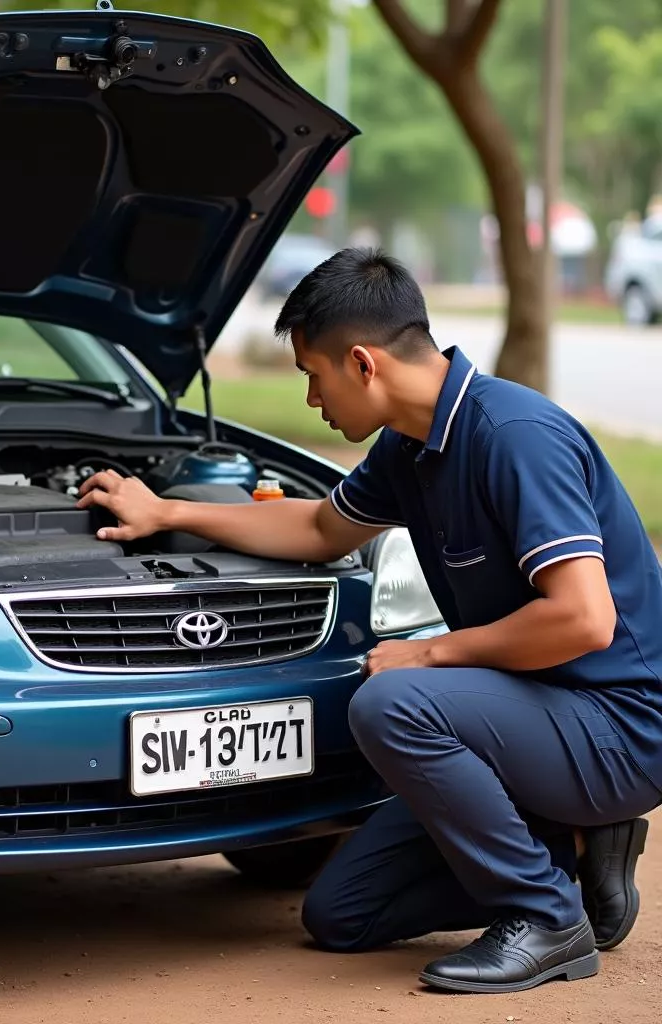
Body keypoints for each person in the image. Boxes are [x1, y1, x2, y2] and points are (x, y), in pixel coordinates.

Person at [76, 248, 662, 995]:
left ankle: (547, 918)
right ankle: (575, 855)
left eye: (312, 375)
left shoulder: (514, 436)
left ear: (362, 363)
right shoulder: (409, 447)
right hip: (533, 713)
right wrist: (166, 510)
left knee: (393, 700)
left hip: (622, 723)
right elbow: (321, 529)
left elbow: (583, 619)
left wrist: (431, 655)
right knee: (341, 914)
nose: (314, 399)